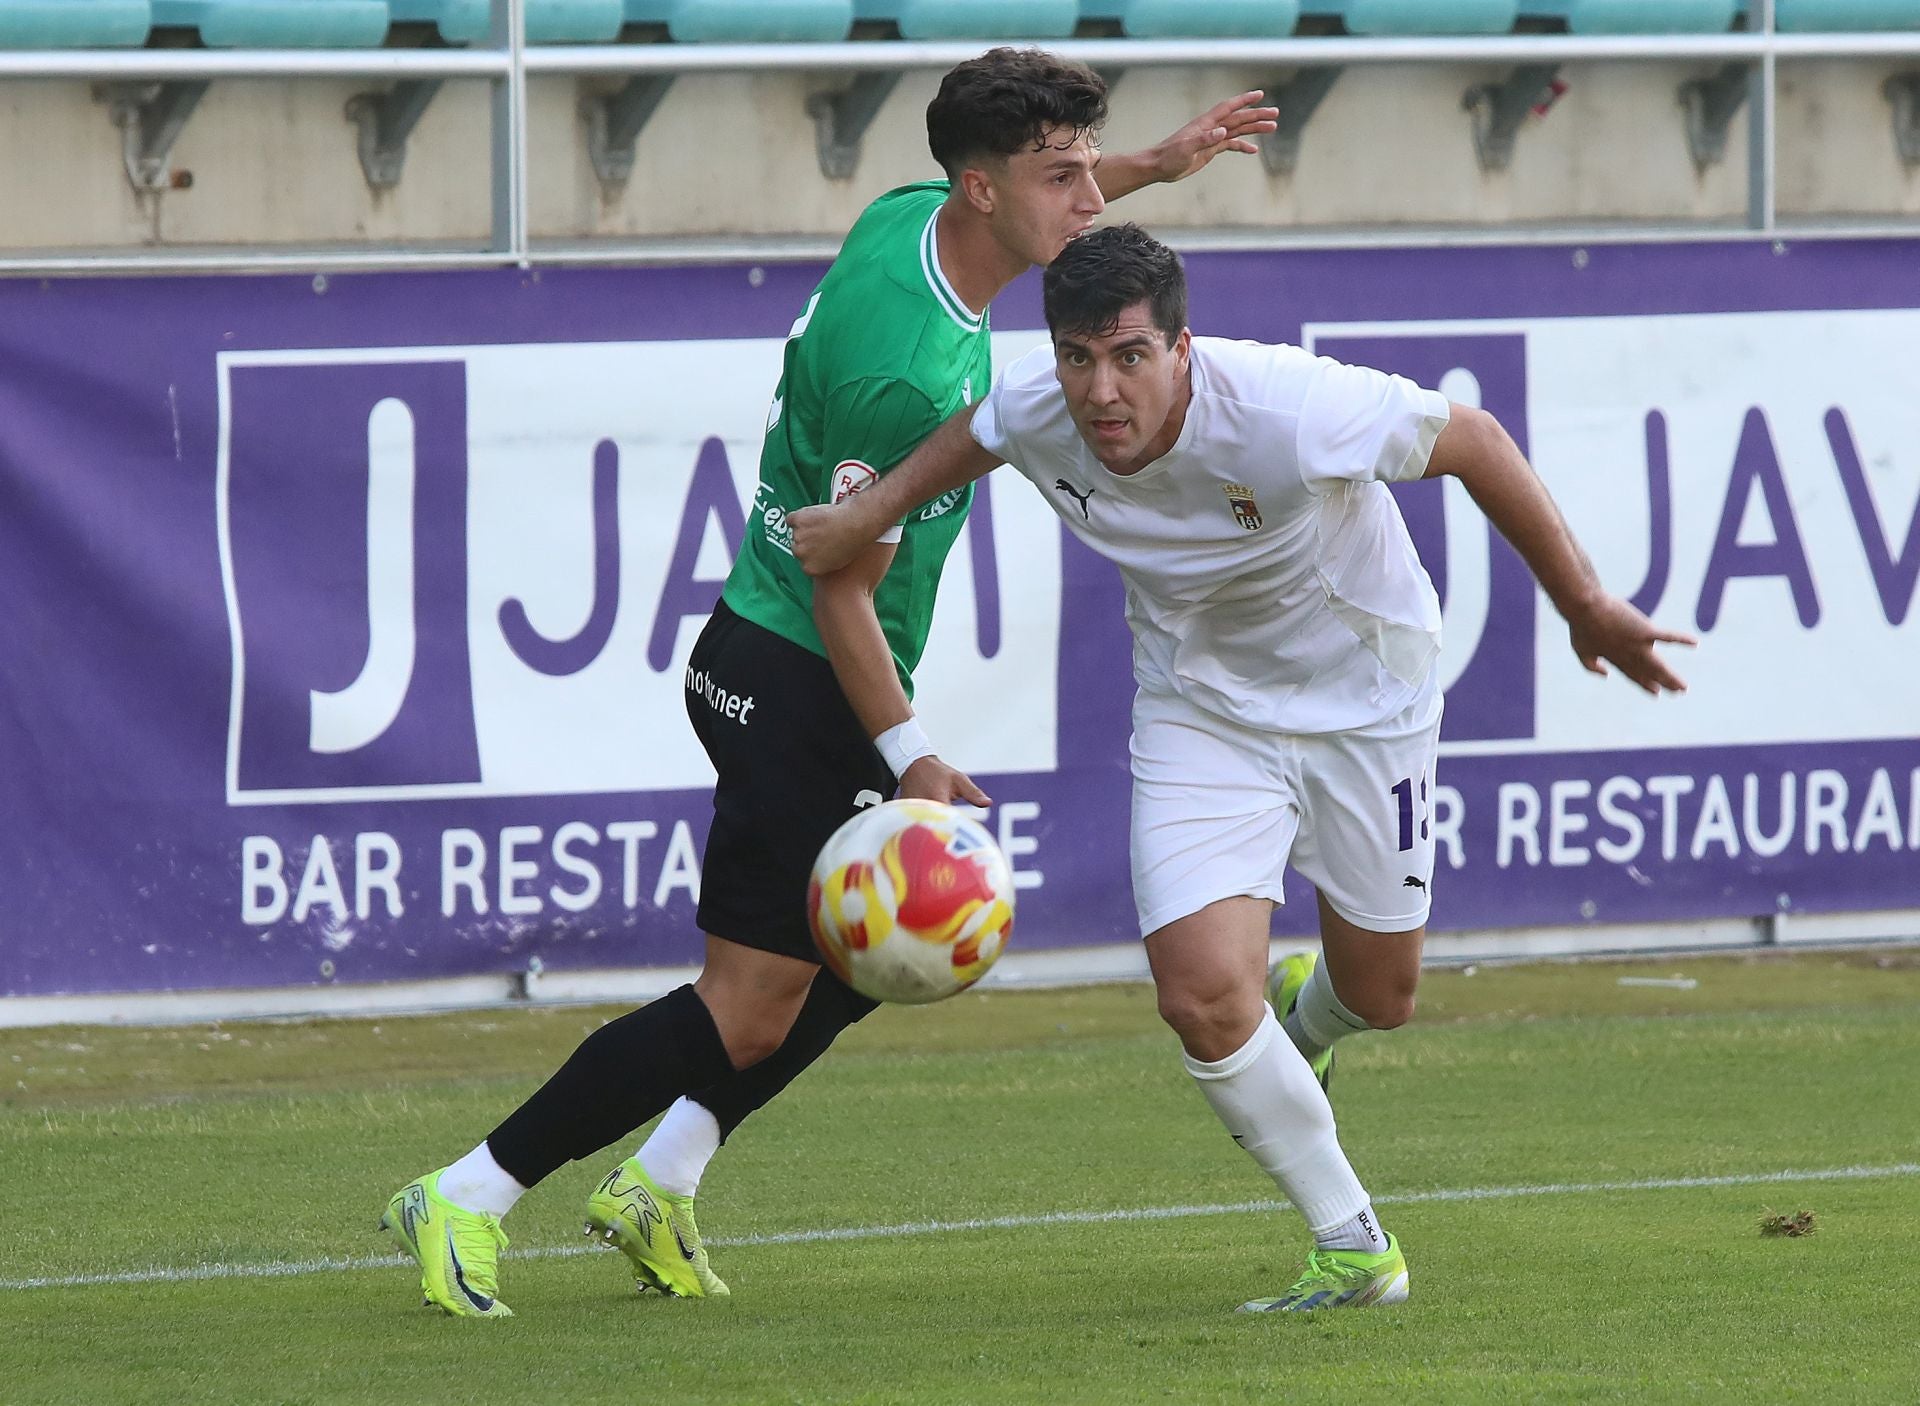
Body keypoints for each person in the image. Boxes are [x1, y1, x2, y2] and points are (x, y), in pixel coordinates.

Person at [380, 53, 1279, 1318]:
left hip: (777, 657)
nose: (1090, 197)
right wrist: (909, 746)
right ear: (982, 185)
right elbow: (840, 581)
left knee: (868, 957)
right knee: (746, 1009)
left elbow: (1037, 209)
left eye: (1090, 168)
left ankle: (662, 1176)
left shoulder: (911, 217)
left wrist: (1154, 165)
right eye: (1063, 175)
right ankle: (470, 1189)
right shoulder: (908, 375)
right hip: (799, 670)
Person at [789, 223, 1693, 1312]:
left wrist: (1585, 603)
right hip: (1200, 713)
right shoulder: (1043, 405)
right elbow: (977, 431)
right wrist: (867, 513)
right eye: (1078, 356)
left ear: (1183, 348)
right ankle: (1355, 1243)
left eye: (1129, 355)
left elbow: (1478, 439)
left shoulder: (1288, 406)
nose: (1101, 390)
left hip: (1371, 703)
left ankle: (1307, 1022)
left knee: (1384, 994)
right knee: (1203, 997)